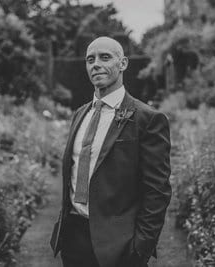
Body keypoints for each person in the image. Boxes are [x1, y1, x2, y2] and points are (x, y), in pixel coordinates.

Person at [49, 36, 171, 267]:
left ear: (123, 63)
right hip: (73, 239)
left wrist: (139, 249)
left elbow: (157, 191)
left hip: (119, 246)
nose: (96, 64)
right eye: (90, 59)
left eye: (105, 57)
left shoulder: (148, 119)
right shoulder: (79, 115)